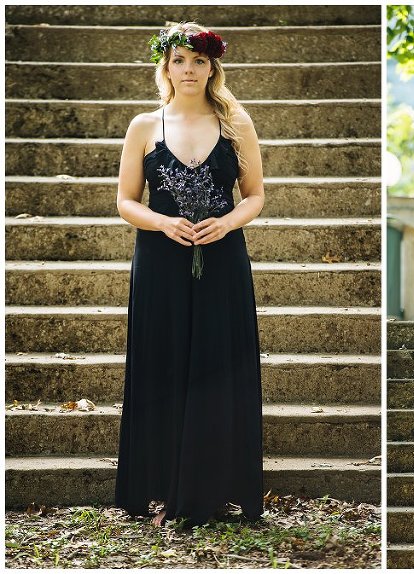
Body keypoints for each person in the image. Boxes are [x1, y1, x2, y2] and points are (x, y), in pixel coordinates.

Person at [114, 21, 266, 528]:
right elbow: (125, 202)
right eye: (179, 60)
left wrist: (226, 223)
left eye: (198, 61)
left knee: (218, 368)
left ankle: (211, 490)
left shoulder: (236, 123)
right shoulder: (144, 126)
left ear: (212, 67)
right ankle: (161, 488)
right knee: (164, 365)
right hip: (160, 262)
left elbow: (256, 196)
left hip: (223, 260)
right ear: (166, 67)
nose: (188, 70)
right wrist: (160, 222)